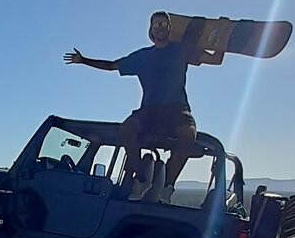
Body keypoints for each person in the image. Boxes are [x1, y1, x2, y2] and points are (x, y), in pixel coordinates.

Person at [64, 11, 224, 203]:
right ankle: (140, 179)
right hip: (150, 110)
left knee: (188, 136)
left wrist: (222, 36)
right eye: (156, 25)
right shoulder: (142, 57)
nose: (160, 28)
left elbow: (216, 60)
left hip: (177, 109)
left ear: (169, 29)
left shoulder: (182, 50)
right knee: (126, 130)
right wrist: (83, 60)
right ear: (151, 30)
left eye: (164, 25)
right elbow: (111, 65)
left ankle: (167, 186)